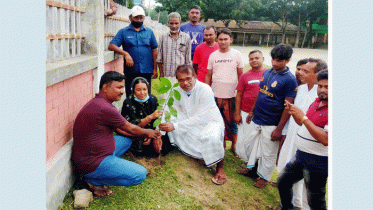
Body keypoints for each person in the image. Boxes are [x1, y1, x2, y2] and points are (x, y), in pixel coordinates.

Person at [72, 71, 161, 197]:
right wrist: (148, 132)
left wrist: (141, 135)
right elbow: (131, 128)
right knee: (140, 174)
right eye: (118, 87)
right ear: (105, 88)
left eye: (123, 87)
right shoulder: (105, 108)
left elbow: (121, 130)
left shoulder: (99, 102)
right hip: (92, 162)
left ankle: (104, 169)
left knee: (126, 140)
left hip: (87, 155)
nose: (122, 91)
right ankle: (93, 180)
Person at [236, 43, 297, 188]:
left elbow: (288, 108)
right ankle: (252, 170)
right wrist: (252, 111)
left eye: (279, 60)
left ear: (287, 60)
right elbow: (261, 93)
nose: (275, 63)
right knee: (249, 145)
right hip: (257, 117)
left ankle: (263, 178)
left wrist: (279, 129)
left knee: (268, 152)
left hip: (272, 122)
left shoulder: (289, 79)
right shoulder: (268, 73)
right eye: (274, 59)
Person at [158, 65, 227, 185]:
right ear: (177, 80)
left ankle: (220, 166)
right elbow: (168, 109)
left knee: (211, 136)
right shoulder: (175, 90)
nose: (185, 83)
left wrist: (176, 126)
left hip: (210, 121)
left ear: (195, 76)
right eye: (181, 80)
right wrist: (159, 133)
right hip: (189, 118)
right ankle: (171, 144)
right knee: (170, 119)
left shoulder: (205, 89)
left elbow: (202, 117)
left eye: (188, 78)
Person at [276, 58, 327, 209]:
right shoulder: (307, 92)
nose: (300, 73)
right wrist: (294, 112)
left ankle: (300, 205)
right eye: (300, 69)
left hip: (317, 158)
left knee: (314, 196)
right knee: (284, 181)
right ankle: (291, 206)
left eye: (306, 71)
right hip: (300, 150)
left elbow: (325, 138)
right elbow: (302, 120)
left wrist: (302, 118)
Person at [205, 28, 244, 156]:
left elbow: (241, 75)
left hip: (231, 95)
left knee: (232, 123)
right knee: (216, 122)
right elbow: (208, 75)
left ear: (231, 40)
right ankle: (218, 145)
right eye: (220, 39)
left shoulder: (237, 54)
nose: (223, 42)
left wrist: (240, 93)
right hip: (215, 95)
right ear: (217, 40)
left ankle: (234, 146)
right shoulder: (213, 55)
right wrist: (206, 90)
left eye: (225, 39)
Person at [108, 5, 158, 98]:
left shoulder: (149, 32)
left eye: (141, 17)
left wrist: (155, 68)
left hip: (146, 69)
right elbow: (111, 45)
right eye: (136, 17)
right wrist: (125, 54)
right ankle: (131, 112)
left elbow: (154, 50)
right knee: (131, 94)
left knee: (145, 94)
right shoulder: (123, 32)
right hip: (131, 70)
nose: (139, 20)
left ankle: (146, 112)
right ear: (130, 17)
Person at [120, 77, 169, 157]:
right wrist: (146, 132)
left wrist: (155, 135)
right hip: (136, 131)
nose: (142, 93)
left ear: (148, 89)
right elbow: (131, 126)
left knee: (165, 137)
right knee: (139, 144)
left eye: (144, 89)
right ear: (133, 90)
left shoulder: (153, 99)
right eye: (138, 90)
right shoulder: (128, 102)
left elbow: (158, 121)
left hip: (151, 130)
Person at [234, 50, 266, 157]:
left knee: (257, 138)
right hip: (245, 111)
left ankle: (255, 159)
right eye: (251, 59)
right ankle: (244, 157)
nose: (254, 60)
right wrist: (237, 113)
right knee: (245, 136)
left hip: (262, 112)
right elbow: (239, 94)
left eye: (257, 58)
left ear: (263, 59)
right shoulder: (245, 76)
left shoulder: (269, 74)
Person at [157, 12, 191, 85]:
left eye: (176, 23)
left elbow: (188, 59)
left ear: (180, 23)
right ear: (168, 23)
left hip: (181, 75)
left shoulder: (186, 37)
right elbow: (159, 58)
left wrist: (188, 75)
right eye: (171, 23)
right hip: (167, 75)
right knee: (166, 96)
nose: (174, 26)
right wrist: (161, 73)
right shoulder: (163, 37)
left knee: (180, 95)